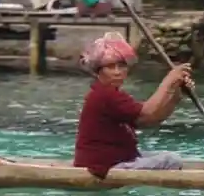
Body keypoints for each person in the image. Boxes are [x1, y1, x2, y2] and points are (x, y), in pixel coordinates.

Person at [73, 32, 194, 178]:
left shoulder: (112, 94)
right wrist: (169, 80)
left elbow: (149, 120)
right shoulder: (105, 94)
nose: (117, 72)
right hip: (104, 166)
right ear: (99, 71)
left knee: (168, 157)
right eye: (110, 67)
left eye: (121, 66)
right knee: (172, 160)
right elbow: (147, 112)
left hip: (122, 158)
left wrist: (176, 95)